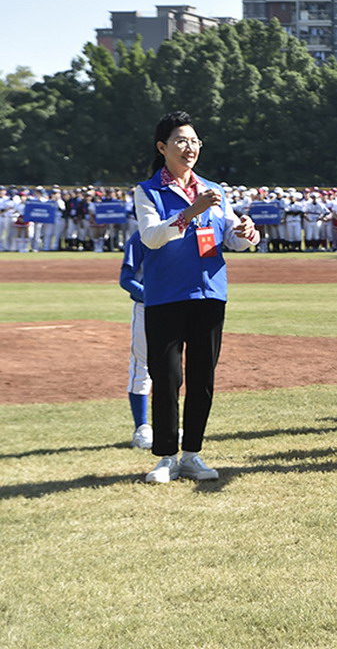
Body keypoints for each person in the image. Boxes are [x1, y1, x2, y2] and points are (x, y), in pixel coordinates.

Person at [135, 111, 260, 483]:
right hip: (166, 296)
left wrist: (246, 233)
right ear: (162, 147)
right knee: (167, 377)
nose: (189, 147)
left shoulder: (214, 190)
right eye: (181, 141)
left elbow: (230, 237)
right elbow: (151, 237)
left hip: (210, 294)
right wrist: (192, 211)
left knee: (203, 378)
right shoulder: (147, 191)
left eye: (194, 141)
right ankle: (166, 457)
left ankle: (192, 454)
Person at [119, 230, 152, 449]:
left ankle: (168, 423)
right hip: (146, 308)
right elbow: (126, 279)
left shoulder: (185, 233)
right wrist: (153, 297)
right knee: (142, 365)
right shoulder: (141, 236)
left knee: (172, 369)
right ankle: (142, 427)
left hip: (178, 309)